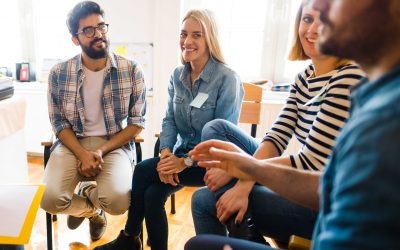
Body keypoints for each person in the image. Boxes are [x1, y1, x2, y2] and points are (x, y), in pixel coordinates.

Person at [186, 0, 400, 249]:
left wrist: (245, 176)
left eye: (326, 17)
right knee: (216, 129)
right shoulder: (304, 77)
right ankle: (243, 230)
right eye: (307, 19)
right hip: (316, 178)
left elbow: (311, 164)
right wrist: (244, 171)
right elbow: (277, 137)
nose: (313, 28)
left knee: (205, 200)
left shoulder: (349, 76)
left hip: (315, 194)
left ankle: (244, 232)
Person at [95, 9, 243, 250]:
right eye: (184, 34)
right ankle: (137, 243)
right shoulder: (178, 75)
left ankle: (129, 238)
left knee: (143, 171)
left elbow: (220, 138)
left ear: (210, 39)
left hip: (210, 163)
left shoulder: (227, 79)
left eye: (197, 35)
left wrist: (183, 163)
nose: (187, 41)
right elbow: (169, 121)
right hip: (178, 155)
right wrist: (165, 154)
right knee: (153, 196)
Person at [40, 1, 146, 241]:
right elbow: (58, 123)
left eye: (101, 26)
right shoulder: (59, 73)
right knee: (48, 199)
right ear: (75, 39)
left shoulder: (131, 69)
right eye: (88, 30)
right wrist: (81, 153)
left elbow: (137, 121)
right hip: (71, 143)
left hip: (112, 143)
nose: (98, 34)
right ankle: (92, 211)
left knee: (119, 203)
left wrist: (99, 150)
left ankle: (87, 190)